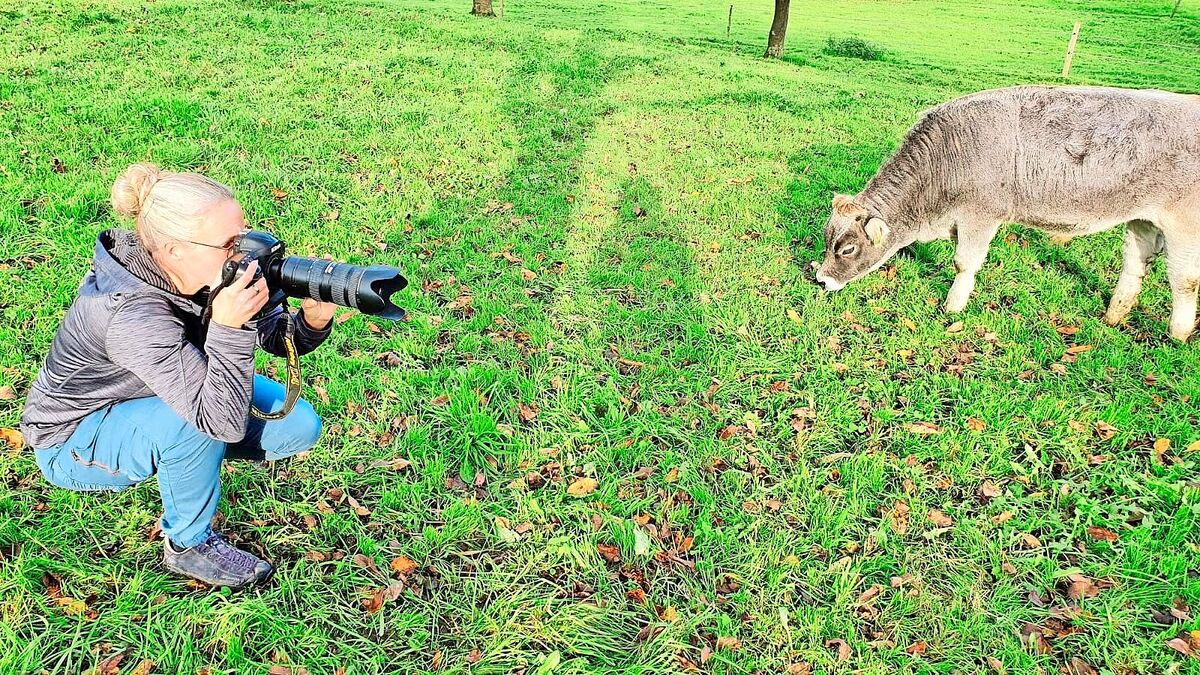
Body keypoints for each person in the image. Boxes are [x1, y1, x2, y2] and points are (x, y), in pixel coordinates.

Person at [20, 163, 336, 589]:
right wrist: (227, 328)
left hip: (160, 390)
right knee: (196, 427)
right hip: (74, 438)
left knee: (297, 425)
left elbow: (273, 337)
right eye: (229, 243)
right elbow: (217, 421)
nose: (244, 252)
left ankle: (181, 458)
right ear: (174, 251)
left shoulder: (207, 269)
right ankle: (188, 545)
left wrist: (312, 321)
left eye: (243, 235)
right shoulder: (130, 314)